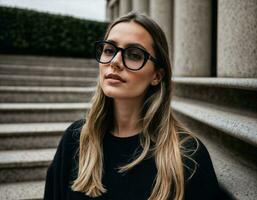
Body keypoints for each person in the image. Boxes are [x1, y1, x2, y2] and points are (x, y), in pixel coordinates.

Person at [44, 12, 222, 200]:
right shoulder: (76, 139)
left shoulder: (188, 155)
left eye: (134, 55)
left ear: (157, 76)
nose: (114, 62)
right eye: (109, 50)